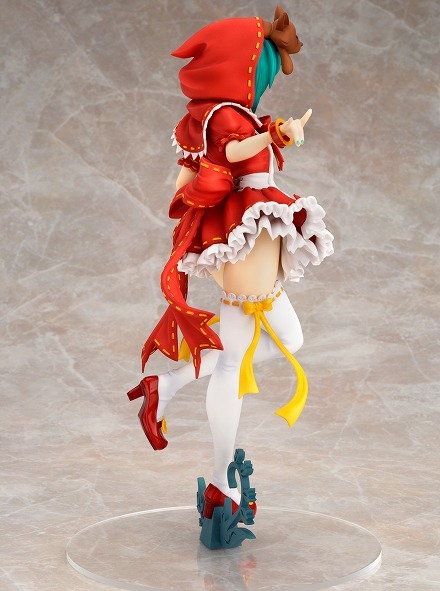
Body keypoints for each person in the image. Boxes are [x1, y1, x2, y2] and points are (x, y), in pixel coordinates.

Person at [127, 6, 334, 513]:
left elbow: (184, 182)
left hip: (243, 238)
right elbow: (235, 153)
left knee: (270, 344)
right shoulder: (225, 115)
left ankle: (168, 385)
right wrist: (276, 136)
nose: (265, 82)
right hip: (245, 241)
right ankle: (221, 481)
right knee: (236, 363)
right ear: (246, 66)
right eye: (265, 70)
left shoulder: (209, 115)